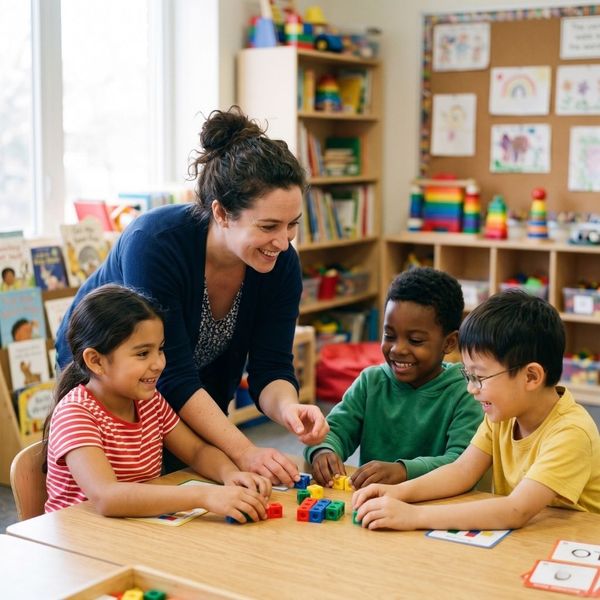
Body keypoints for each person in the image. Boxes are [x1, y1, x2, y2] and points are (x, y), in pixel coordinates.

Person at [55, 106, 329, 486]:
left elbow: (272, 367)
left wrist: (288, 409)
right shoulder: (156, 244)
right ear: (221, 213)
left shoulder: (280, 264)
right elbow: (175, 376)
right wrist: (244, 450)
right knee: (129, 479)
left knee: (193, 473)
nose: (283, 242)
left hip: (182, 380)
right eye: (268, 226)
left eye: (292, 225)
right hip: (109, 370)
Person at [353, 289, 600, 530]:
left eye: (479, 377)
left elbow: (516, 510)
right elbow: (462, 471)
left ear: (531, 377)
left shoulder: (572, 432)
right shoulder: (503, 414)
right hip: (525, 541)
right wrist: (397, 492)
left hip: (573, 549)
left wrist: (414, 515)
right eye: (467, 375)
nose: (471, 388)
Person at [45, 284, 271, 521]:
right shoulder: (76, 413)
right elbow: (107, 497)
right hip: (80, 542)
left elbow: (196, 451)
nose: (158, 364)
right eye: (143, 354)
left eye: (160, 349)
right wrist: (202, 495)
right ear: (96, 361)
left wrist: (229, 474)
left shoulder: (149, 401)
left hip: (132, 529)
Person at [304, 267, 483, 489]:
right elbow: (334, 430)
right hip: (377, 505)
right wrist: (324, 450)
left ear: (449, 343)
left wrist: (403, 471)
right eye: (389, 335)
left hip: (439, 507)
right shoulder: (371, 382)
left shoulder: (467, 392)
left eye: (415, 340)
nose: (398, 349)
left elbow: (463, 463)